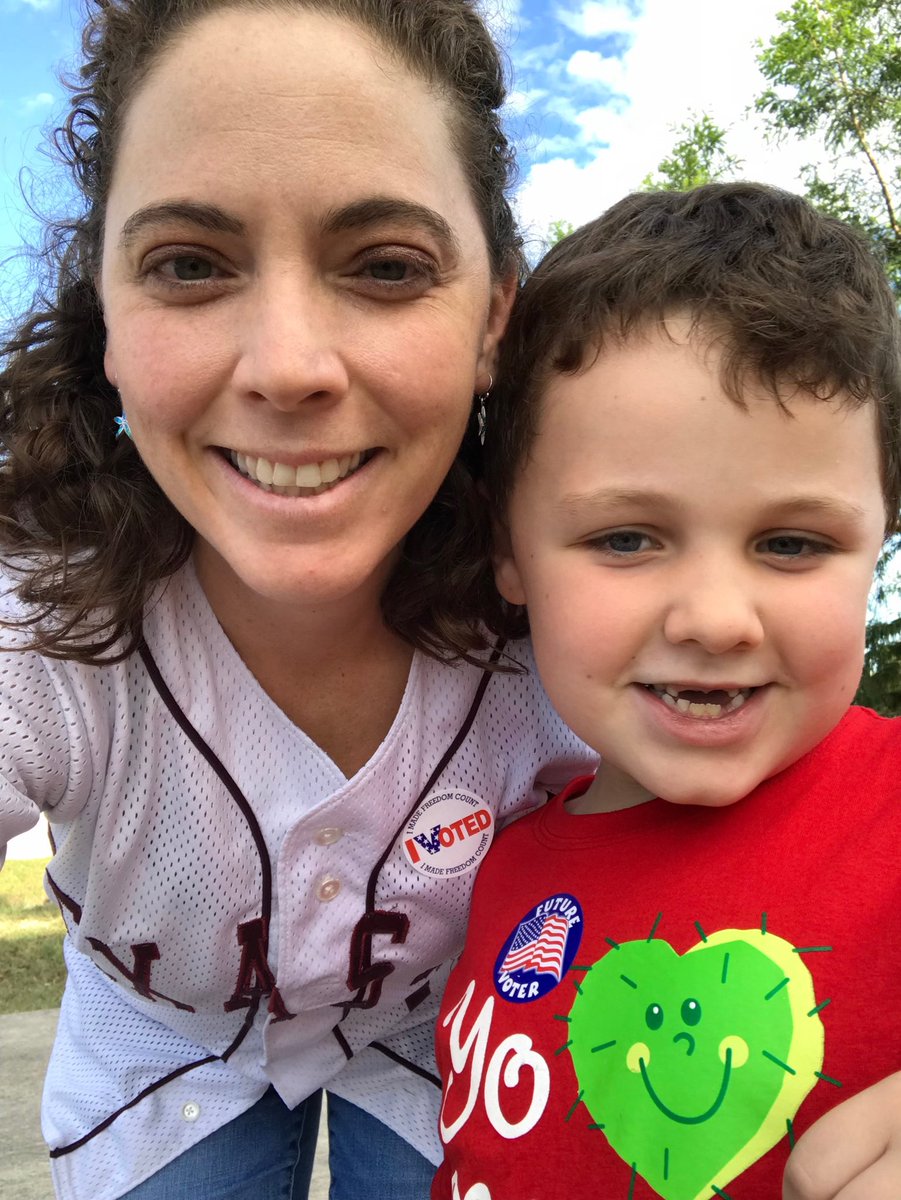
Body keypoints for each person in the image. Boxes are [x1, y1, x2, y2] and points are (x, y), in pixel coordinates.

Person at [0, 2, 597, 1198]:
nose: (286, 366)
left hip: (444, 1028)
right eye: (188, 265)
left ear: (494, 318)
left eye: (385, 266)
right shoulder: (42, 633)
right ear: (106, 318)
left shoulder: (578, 611)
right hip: (156, 1042)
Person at [432, 183, 901, 1200]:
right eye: (625, 539)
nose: (713, 618)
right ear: (508, 550)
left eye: (791, 542)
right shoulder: (503, 870)